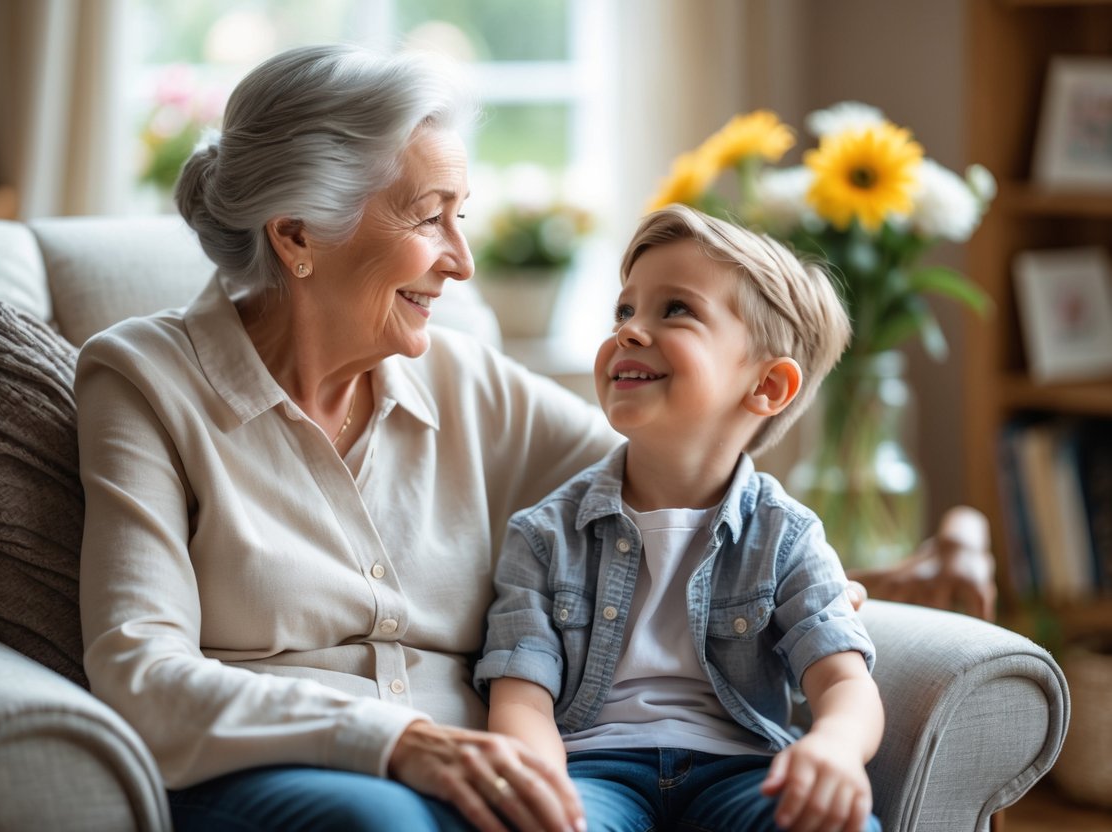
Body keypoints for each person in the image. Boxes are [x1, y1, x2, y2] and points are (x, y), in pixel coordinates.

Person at [76, 42, 992, 832]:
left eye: (459, 216)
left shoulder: (463, 378)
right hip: (300, 770)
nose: (460, 260)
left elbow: (677, 488)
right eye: (428, 216)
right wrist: (400, 742)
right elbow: (140, 673)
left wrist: (901, 561)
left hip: (500, 776)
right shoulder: (147, 380)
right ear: (297, 234)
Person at [475, 205, 884, 832]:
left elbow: (844, 683)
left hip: (746, 771)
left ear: (768, 387)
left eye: (676, 310)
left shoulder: (786, 535)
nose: (631, 331)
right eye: (624, 310)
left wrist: (833, 747)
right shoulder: (543, 535)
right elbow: (521, 695)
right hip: (592, 769)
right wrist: (542, 784)